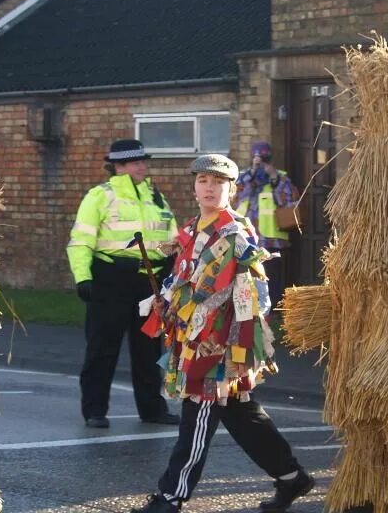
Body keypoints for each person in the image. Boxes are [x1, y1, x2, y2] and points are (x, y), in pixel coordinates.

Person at [132, 154, 314, 513]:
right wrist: (164, 300)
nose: (209, 188)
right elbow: (183, 277)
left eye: (218, 183)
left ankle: (170, 497)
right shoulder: (191, 228)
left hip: (220, 347)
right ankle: (293, 478)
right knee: (243, 417)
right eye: (203, 181)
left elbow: (256, 296)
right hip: (193, 339)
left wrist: (238, 343)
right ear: (195, 187)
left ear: (231, 188)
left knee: (197, 419)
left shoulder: (236, 232)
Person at [67, 139, 180, 429]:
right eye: (137, 162)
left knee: (149, 348)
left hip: (149, 281)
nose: (144, 166)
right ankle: (94, 410)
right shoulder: (100, 196)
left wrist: (172, 273)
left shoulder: (157, 197)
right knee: (102, 348)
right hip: (110, 279)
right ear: (119, 167)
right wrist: (84, 278)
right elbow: (80, 240)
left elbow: (173, 239)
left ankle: (152, 409)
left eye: (144, 161)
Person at [234, 141, 297, 309]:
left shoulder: (281, 179)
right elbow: (234, 199)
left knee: (272, 280)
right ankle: (251, 310)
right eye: (257, 159)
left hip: (271, 241)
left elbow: (290, 204)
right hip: (246, 240)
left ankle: (274, 310)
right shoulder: (244, 178)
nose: (261, 163)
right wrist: (253, 173)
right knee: (247, 277)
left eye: (264, 159)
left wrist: (274, 178)